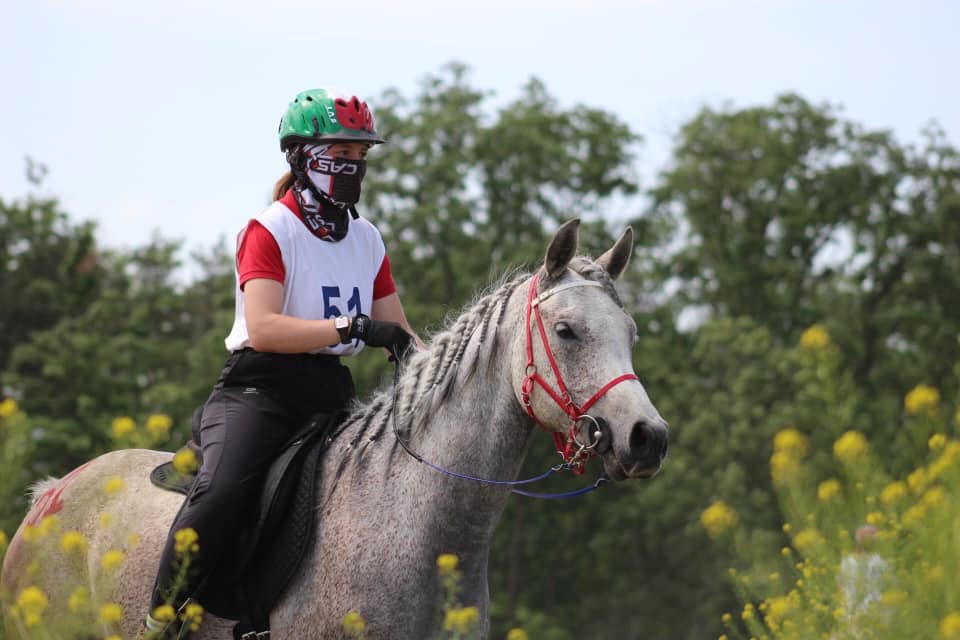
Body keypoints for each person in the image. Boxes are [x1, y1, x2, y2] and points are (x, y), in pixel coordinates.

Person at [144, 87, 420, 637]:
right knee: (223, 493)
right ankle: (160, 620)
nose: (353, 169)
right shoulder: (269, 229)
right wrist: (351, 327)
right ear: (300, 156)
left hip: (331, 394)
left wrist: (432, 368)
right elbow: (265, 327)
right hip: (258, 391)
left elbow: (401, 331)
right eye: (340, 156)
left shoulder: (366, 238)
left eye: (360, 158)